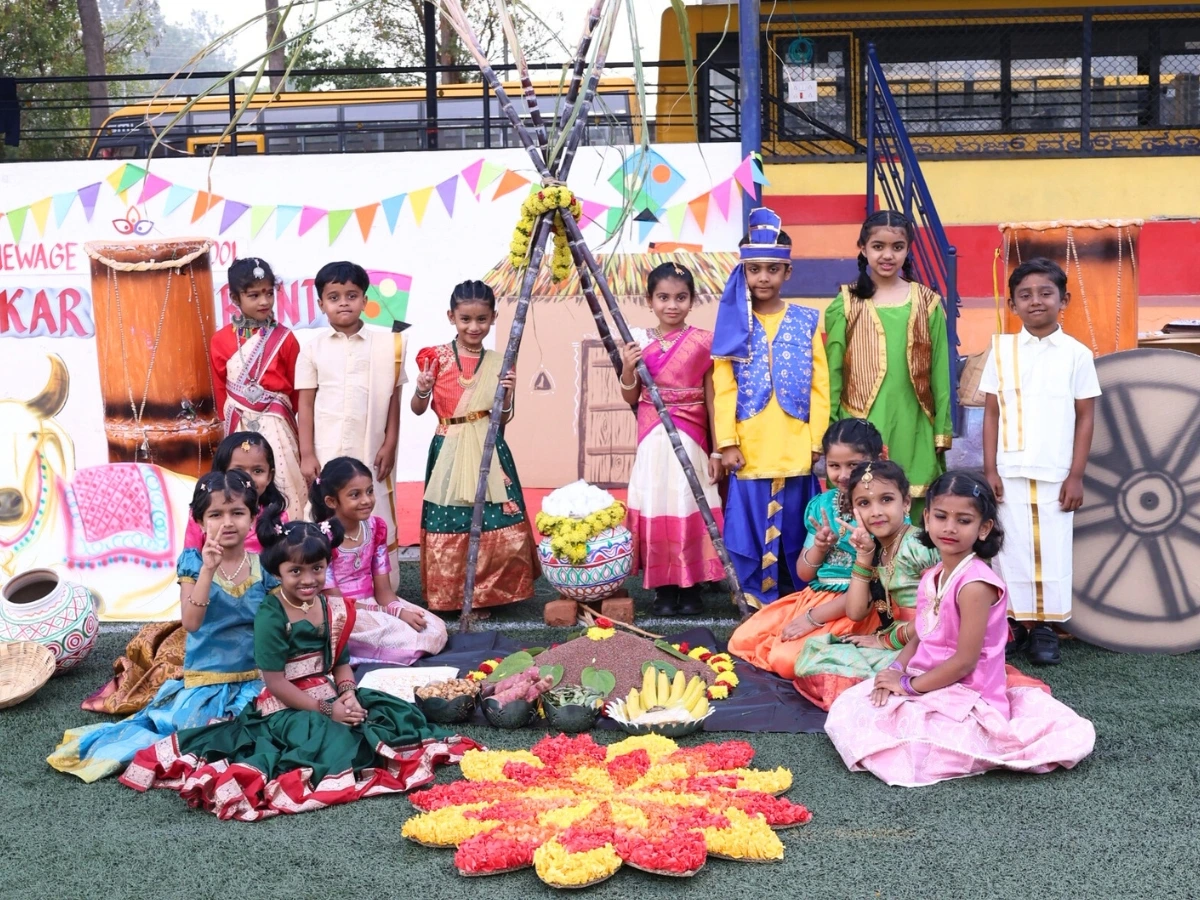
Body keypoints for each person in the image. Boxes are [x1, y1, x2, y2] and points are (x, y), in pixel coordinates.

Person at [119, 511, 477, 820]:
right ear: (278, 570)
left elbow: (340, 662)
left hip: (330, 691)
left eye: (317, 569)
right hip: (285, 704)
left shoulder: (333, 607)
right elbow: (274, 682)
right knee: (328, 741)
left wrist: (348, 694)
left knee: (394, 717)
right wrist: (327, 708)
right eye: (296, 571)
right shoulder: (270, 614)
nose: (309, 580)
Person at [825, 471, 1096, 787]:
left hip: (969, 693)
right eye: (941, 516)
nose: (949, 528)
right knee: (853, 705)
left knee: (912, 743)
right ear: (926, 519)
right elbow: (921, 634)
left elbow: (965, 661)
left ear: (984, 528)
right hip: (930, 680)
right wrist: (895, 669)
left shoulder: (975, 585)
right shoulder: (934, 575)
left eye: (964, 520)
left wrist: (909, 686)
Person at [49, 472, 271, 782]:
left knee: (265, 734)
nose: (228, 522)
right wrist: (209, 570)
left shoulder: (265, 567)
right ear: (200, 521)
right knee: (192, 737)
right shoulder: (194, 563)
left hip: (255, 681)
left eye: (237, 512)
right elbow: (192, 623)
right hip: (207, 685)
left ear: (254, 515)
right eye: (216, 514)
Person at [81, 432, 289, 716]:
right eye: (239, 473)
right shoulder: (202, 534)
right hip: (209, 606)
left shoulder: (276, 518)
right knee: (169, 657)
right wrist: (208, 568)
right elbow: (191, 585)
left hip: (258, 619)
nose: (250, 480)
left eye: (258, 471)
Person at [982, 258, 1100, 666]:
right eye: (1025, 295)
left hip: (1055, 471)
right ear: (1013, 304)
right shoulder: (1001, 350)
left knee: (1051, 550)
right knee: (1009, 547)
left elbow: (1085, 415)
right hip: (1009, 469)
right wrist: (990, 470)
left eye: (1046, 293)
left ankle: (1045, 628)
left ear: (1063, 300)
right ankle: (1013, 623)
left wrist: (1076, 475)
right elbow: (992, 413)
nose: (1036, 301)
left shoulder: (1077, 355)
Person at [712, 206, 829, 607]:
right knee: (750, 525)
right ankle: (754, 600)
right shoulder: (732, 323)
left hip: (795, 443)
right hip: (751, 444)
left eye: (772, 269)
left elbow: (819, 386)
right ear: (744, 272)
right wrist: (726, 441)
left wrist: (817, 442)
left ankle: (795, 597)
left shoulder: (806, 320)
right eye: (755, 269)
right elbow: (723, 386)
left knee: (796, 528)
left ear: (788, 273)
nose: (763, 277)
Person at [411, 280, 540, 614]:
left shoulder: (501, 361)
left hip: (489, 448)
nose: (473, 326)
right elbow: (417, 409)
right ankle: (450, 594)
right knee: (452, 517)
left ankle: (492, 594)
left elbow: (504, 418)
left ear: (493, 317)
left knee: (494, 517)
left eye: (481, 319)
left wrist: (508, 393)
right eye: (465, 319)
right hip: (449, 447)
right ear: (451, 317)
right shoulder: (434, 358)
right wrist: (423, 389)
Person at [727, 419, 884, 678]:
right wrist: (820, 547)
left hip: (859, 605)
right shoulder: (822, 504)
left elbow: (875, 587)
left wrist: (811, 619)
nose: (843, 475)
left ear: (876, 460)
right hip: (817, 594)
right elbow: (804, 574)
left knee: (785, 660)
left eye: (853, 465)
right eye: (834, 466)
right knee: (742, 640)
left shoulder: (882, 511)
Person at [825, 210, 953, 519]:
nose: (887, 255)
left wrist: (941, 431)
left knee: (914, 503)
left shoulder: (928, 302)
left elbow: (940, 372)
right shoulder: (845, 303)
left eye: (897, 247)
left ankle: (911, 566)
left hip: (914, 421)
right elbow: (833, 373)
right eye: (878, 246)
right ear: (863, 248)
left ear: (908, 250)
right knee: (865, 503)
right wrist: (831, 429)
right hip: (861, 421)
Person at [618, 261, 723, 616]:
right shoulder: (638, 341)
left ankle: (691, 585)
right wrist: (629, 367)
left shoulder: (704, 342)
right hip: (652, 435)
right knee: (658, 502)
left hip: (693, 434)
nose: (672, 305)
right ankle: (663, 588)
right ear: (650, 300)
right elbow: (631, 398)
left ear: (692, 300)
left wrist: (718, 451)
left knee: (689, 501)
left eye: (680, 297)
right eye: (663, 297)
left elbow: (713, 398)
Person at [792, 459, 938, 709]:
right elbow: (856, 611)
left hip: (929, 641)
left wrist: (886, 641)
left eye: (886, 500)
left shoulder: (918, 546)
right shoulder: (879, 547)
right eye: (864, 503)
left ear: (906, 503)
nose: (876, 511)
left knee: (845, 671)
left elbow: (944, 613)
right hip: (899, 636)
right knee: (822, 653)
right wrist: (863, 556)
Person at [297, 261, 406, 573]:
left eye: (351, 295)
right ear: (321, 304)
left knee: (373, 506)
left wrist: (390, 444)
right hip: (326, 448)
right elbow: (305, 405)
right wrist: (306, 453)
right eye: (334, 297)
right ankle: (325, 579)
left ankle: (378, 579)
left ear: (365, 301)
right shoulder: (312, 349)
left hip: (371, 447)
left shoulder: (388, 347)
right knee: (325, 509)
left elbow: (393, 399)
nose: (343, 302)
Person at [312, 456, 447, 665]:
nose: (366, 500)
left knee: (434, 629)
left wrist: (398, 611)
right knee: (412, 642)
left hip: (374, 603)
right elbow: (336, 602)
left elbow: (383, 591)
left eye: (369, 491)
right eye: (355, 495)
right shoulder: (322, 538)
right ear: (331, 501)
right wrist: (387, 615)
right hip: (342, 613)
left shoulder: (376, 528)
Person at [209, 258, 305, 521]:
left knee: (285, 481)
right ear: (234, 298)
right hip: (238, 422)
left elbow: (296, 392)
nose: (264, 301)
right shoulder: (221, 340)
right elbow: (220, 388)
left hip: (277, 424)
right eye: (254, 295)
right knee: (239, 485)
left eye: (268, 293)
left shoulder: (285, 339)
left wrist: (274, 411)